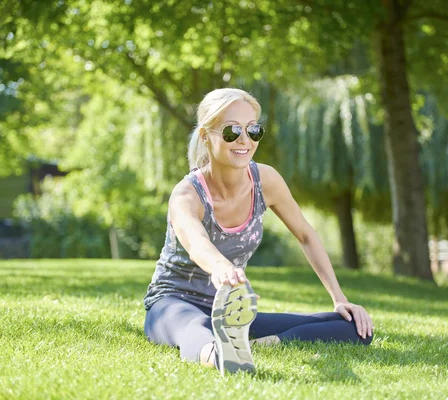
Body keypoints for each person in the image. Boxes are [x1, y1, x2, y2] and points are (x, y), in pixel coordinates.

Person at [143, 88, 373, 375]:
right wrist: (221, 268)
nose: (244, 140)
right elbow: (197, 242)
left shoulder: (265, 180)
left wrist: (340, 299)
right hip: (173, 303)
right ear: (205, 136)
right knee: (196, 326)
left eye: (253, 130)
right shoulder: (186, 195)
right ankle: (219, 355)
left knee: (353, 328)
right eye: (231, 131)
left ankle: (251, 345)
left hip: (233, 316)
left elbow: (306, 235)